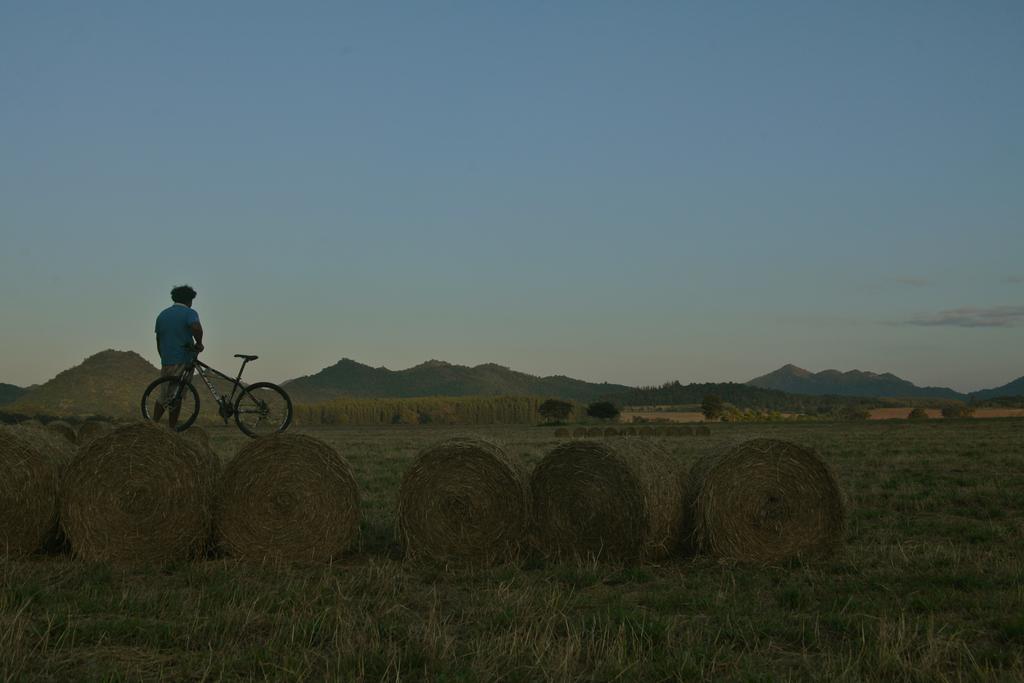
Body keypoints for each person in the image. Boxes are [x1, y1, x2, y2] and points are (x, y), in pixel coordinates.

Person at [151, 285, 204, 428]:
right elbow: (196, 327)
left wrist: (164, 355)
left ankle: (152, 426)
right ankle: (172, 429)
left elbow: (158, 339)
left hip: (167, 360)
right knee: (177, 395)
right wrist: (199, 343)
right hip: (184, 359)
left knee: (164, 394)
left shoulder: (162, 315)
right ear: (188, 300)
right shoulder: (189, 312)